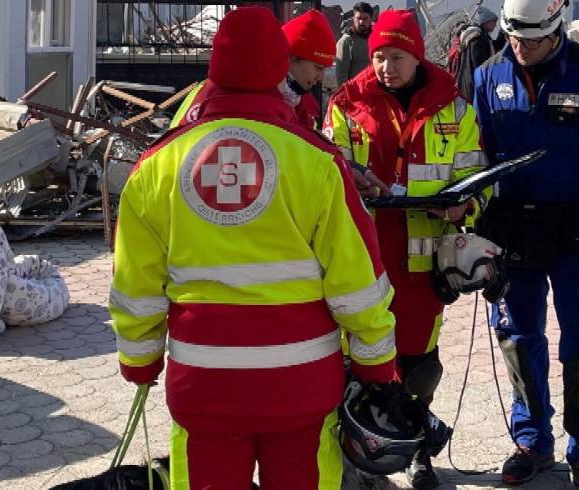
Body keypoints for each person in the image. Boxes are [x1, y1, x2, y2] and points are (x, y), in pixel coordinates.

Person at [108, 7, 402, 488]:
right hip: (300, 385)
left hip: (204, 386)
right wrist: (376, 365)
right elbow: (358, 283)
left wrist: (139, 362)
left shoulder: (157, 165)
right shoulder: (317, 164)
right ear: (277, 69)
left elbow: (134, 284)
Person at [471, 0, 579, 483]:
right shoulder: (488, 75)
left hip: (578, 235)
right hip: (511, 235)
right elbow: (475, 157)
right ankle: (531, 442)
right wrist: (473, 227)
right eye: (513, 39)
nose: (521, 49)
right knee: (517, 340)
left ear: (556, 31)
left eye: (531, 40)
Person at [323, 9, 483, 488]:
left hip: (422, 265)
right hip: (361, 260)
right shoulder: (345, 105)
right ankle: (351, 454)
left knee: (418, 365)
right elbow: (326, 170)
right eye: (378, 56)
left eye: (396, 56)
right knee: (359, 362)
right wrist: (352, 179)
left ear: (417, 56)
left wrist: (462, 209)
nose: (386, 66)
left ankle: (416, 450)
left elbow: (476, 177)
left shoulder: (455, 110)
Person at [169, 10, 335, 131]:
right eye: (318, 67)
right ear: (291, 57)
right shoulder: (257, 100)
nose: (320, 77)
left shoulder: (302, 104)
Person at [455, 7, 502, 100]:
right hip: (473, 89)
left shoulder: (481, 36)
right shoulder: (477, 39)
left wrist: (503, 33)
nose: (495, 25)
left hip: (469, 86)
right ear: (486, 21)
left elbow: (494, 48)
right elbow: (480, 66)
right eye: (493, 21)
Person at [336, 2, 376, 82]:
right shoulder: (347, 41)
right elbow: (341, 74)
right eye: (358, 18)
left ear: (371, 19)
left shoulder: (375, 38)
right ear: (354, 19)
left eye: (365, 18)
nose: (361, 22)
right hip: (356, 91)